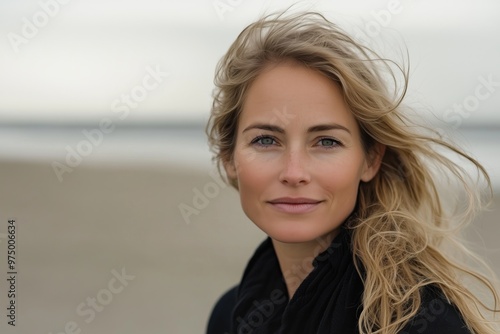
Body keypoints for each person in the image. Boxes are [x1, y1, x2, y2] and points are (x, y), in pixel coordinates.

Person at [205, 10, 499, 334]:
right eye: (265, 140)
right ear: (228, 156)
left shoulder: (421, 323)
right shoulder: (229, 315)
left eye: (327, 141)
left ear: (370, 159)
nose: (294, 172)